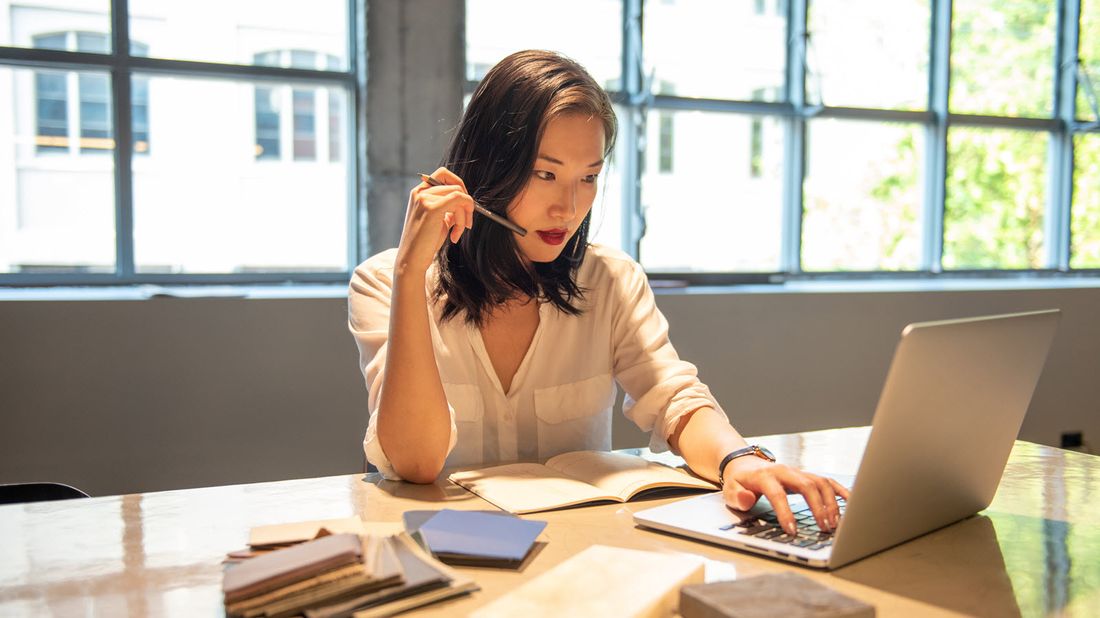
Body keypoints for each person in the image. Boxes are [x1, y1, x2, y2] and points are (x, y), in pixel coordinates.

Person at [348, 50, 847, 536]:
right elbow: (415, 462)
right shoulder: (385, 282)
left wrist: (737, 459)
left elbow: (672, 394)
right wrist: (412, 271)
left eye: (588, 178)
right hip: (445, 555)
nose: (568, 207)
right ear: (487, 169)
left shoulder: (610, 279)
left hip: (581, 554)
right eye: (546, 174)